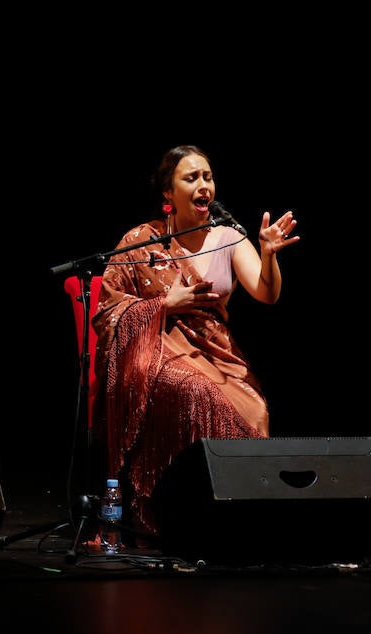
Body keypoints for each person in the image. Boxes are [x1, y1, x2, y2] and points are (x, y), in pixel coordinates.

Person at [93, 144, 300, 534]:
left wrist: (269, 253)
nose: (204, 185)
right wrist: (165, 305)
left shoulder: (229, 238)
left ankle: (237, 518)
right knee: (195, 393)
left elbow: (266, 293)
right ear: (168, 193)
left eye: (207, 176)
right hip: (156, 352)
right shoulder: (141, 240)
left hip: (215, 353)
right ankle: (180, 511)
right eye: (191, 178)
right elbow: (108, 308)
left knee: (255, 412)